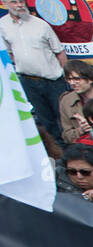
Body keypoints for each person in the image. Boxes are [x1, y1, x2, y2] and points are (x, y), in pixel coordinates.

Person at [0, 0, 68, 144]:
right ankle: (58, 154)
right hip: (28, 81)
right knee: (46, 121)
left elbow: (60, 52)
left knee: (64, 118)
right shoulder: (3, 25)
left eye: (21, 1)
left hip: (53, 81)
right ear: (5, 4)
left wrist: (68, 76)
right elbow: (9, 52)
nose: (19, 5)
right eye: (14, 2)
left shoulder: (41, 25)